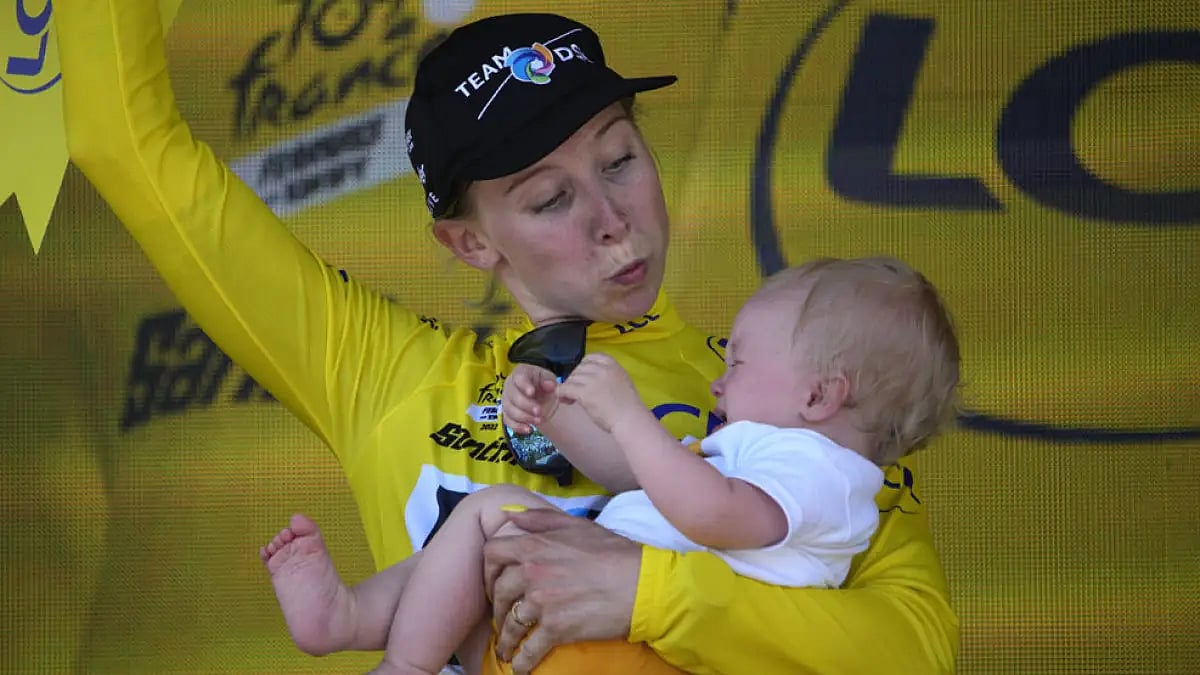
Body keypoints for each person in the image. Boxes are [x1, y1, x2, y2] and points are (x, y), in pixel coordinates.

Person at [56, 2, 959, 673]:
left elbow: (915, 650)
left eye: (619, 159)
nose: (614, 219)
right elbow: (123, 143)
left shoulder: (779, 394)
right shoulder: (378, 373)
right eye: (551, 197)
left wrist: (653, 591)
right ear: (470, 241)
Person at [261, 256, 961, 675]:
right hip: (582, 638)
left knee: (490, 524)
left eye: (739, 361)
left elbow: (712, 513)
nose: (720, 382)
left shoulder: (825, 475)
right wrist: (556, 415)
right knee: (488, 524)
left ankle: (403, 661)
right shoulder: (756, 457)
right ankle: (351, 619)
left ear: (819, 394)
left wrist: (630, 416)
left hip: (635, 658)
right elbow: (639, 481)